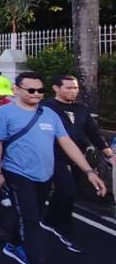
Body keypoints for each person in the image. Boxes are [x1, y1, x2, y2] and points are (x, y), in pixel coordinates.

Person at [0, 71, 107, 264]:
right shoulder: (5, 113)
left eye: (39, 90)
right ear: (17, 89)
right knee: (31, 221)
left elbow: (67, 143)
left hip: (43, 176)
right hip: (17, 174)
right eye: (31, 90)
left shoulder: (50, 114)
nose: (36, 94)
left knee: (29, 213)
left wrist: (89, 171)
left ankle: (13, 243)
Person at [41, 74, 113, 252]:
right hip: (53, 154)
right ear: (56, 88)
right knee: (67, 189)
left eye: (75, 88)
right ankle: (63, 228)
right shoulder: (46, 107)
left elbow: (93, 132)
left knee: (70, 190)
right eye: (69, 88)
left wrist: (108, 153)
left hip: (76, 156)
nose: (73, 91)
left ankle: (49, 220)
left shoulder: (81, 109)